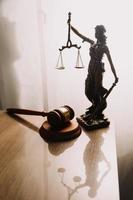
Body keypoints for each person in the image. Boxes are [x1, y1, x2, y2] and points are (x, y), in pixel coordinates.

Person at [70, 24, 118, 119]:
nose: (95, 34)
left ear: (101, 34)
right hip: (91, 67)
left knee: (97, 90)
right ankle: (95, 105)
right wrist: (69, 26)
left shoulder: (104, 47)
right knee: (88, 89)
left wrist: (115, 76)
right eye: (95, 32)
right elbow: (80, 34)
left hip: (98, 69)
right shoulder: (92, 42)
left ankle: (98, 110)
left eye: (97, 32)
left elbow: (111, 63)